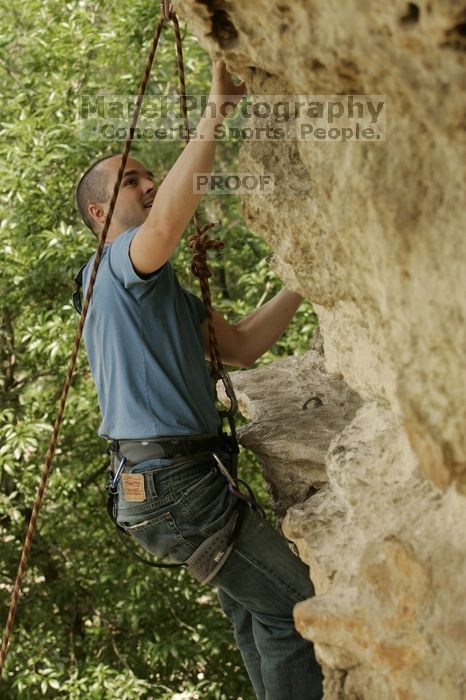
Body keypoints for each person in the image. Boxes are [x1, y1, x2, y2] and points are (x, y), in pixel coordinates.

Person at [76, 59, 323, 699]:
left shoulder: (158, 295)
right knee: (297, 612)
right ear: (102, 213)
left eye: (151, 174)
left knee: (255, 612)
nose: (151, 183)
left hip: (164, 482)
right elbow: (163, 228)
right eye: (133, 181)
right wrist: (217, 109)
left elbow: (240, 346)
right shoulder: (113, 266)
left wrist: (306, 278)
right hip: (174, 482)